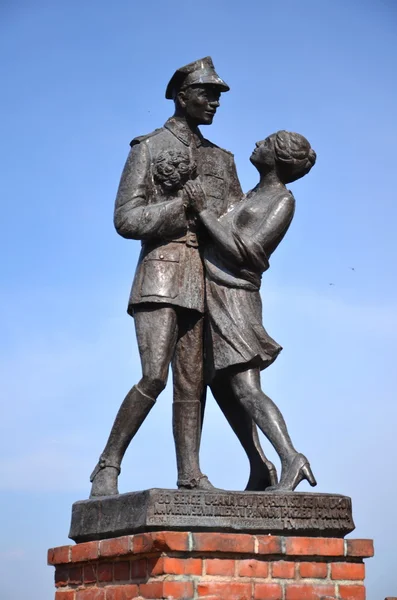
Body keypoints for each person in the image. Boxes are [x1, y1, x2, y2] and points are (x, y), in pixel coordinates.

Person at [90, 57, 273, 496]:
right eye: (206, 93)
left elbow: (233, 225)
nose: (214, 102)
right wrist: (180, 209)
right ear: (181, 95)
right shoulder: (148, 148)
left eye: (218, 96)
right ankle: (107, 466)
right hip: (161, 275)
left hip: (206, 281)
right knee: (154, 375)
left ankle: (190, 474)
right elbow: (126, 218)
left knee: (194, 381)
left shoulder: (222, 160)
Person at [185, 130, 317, 491]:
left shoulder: (282, 201)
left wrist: (203, 213)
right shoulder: (249, 194)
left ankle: (291, 457)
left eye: (267, 142)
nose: (257, 142)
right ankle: (260, 466)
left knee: (245, 386)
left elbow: (248, 252)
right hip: (213, 290)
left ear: (277, 157)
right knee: (221, 385)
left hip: (236, 296)